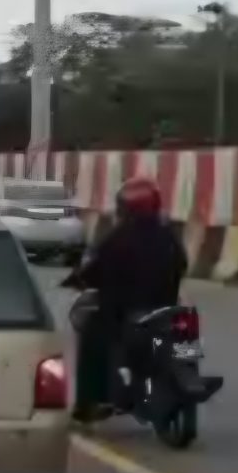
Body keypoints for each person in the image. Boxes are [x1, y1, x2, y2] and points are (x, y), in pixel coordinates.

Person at [61, 177, 188, 420]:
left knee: (92, 337)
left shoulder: (118, 238)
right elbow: (182, 264)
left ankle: (91, 402)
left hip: (125, 312)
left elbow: (94, 270)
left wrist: (78, 279)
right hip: (166, 309)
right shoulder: (168, 236)